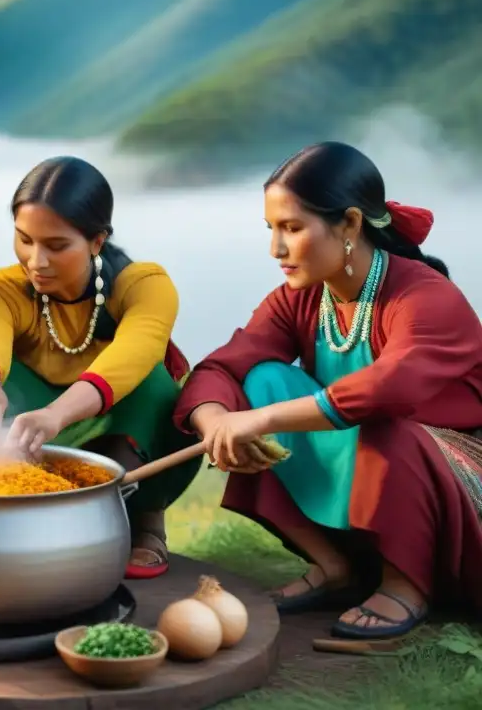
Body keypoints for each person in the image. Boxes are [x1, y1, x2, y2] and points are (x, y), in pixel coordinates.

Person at [174, 141, 482, 640]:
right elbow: (224, 367)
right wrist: (216, 421)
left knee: (389, 427)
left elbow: (390, 389)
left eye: (292, 229)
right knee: (262, 381)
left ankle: (406, 583)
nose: (276, 249)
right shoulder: (300, 299)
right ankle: (335, 565)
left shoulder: (426, 297)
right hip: (365, 461)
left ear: (350, 225)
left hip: (451, 473)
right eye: (271, 230)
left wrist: (265, 420)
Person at [0, 155, 200, 579]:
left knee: (156, 383)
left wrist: (57, 414)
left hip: (115, 428)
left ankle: (145, 519)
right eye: (24, 239)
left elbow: (134, 354)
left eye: (56, 245)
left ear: (96, 241)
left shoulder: (144, 285)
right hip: (28, 435)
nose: (36, 261)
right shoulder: (2, 287)